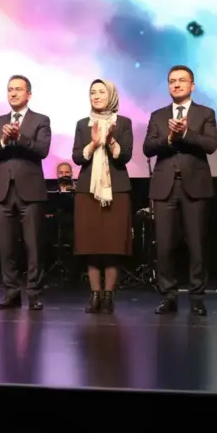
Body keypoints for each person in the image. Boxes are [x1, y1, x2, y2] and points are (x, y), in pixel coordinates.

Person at [143, 65, 217, 315]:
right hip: (165, 187)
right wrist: (169, 139)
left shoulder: (205, 113)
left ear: (192, 85)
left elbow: (210, 145)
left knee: (197, 245)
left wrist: (185, 132)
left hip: (195, 186)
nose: (176, 84)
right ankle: (168, 296)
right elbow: (148, 147)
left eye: (182, 80)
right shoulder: (158, 115)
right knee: (164, 246)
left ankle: (197, 297)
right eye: (172, 81)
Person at [0, 74, 51, 310]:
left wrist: (19, 137)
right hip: (3, 191)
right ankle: (11, 292)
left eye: (18, 89)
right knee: (6, 247)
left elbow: (42, 150)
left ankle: (34, 293)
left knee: (34, 246)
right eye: (10, 89)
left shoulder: (41, 120)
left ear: (28, 94)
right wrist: (3, 140)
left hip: (30, 191)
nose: (13, 93)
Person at [72, 79, 133, 313]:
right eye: (93, 92)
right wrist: (94, 143)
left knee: (112, 245)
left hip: (116, 190)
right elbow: (77, 157)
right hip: (88, 190)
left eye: (101, 92)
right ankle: (95, 294)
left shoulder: (123, 123)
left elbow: (125, 156)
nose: (96, 96)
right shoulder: (82, 124)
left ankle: (108, 296)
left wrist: (110, 141)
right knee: (91, 244)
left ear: (112, 96)